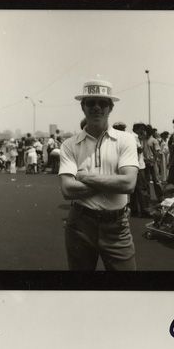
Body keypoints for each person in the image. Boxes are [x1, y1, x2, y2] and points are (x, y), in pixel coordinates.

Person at [58, 78, 139, 271]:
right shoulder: (69, 144)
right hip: (80, 224)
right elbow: (68, 190)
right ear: (82, 107)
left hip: (117, 226)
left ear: (110, 108)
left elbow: (128, 184)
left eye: (102, 103)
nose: (96, 107)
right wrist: (112, 183)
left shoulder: (126, 140)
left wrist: (85, 177)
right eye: (90, 103)